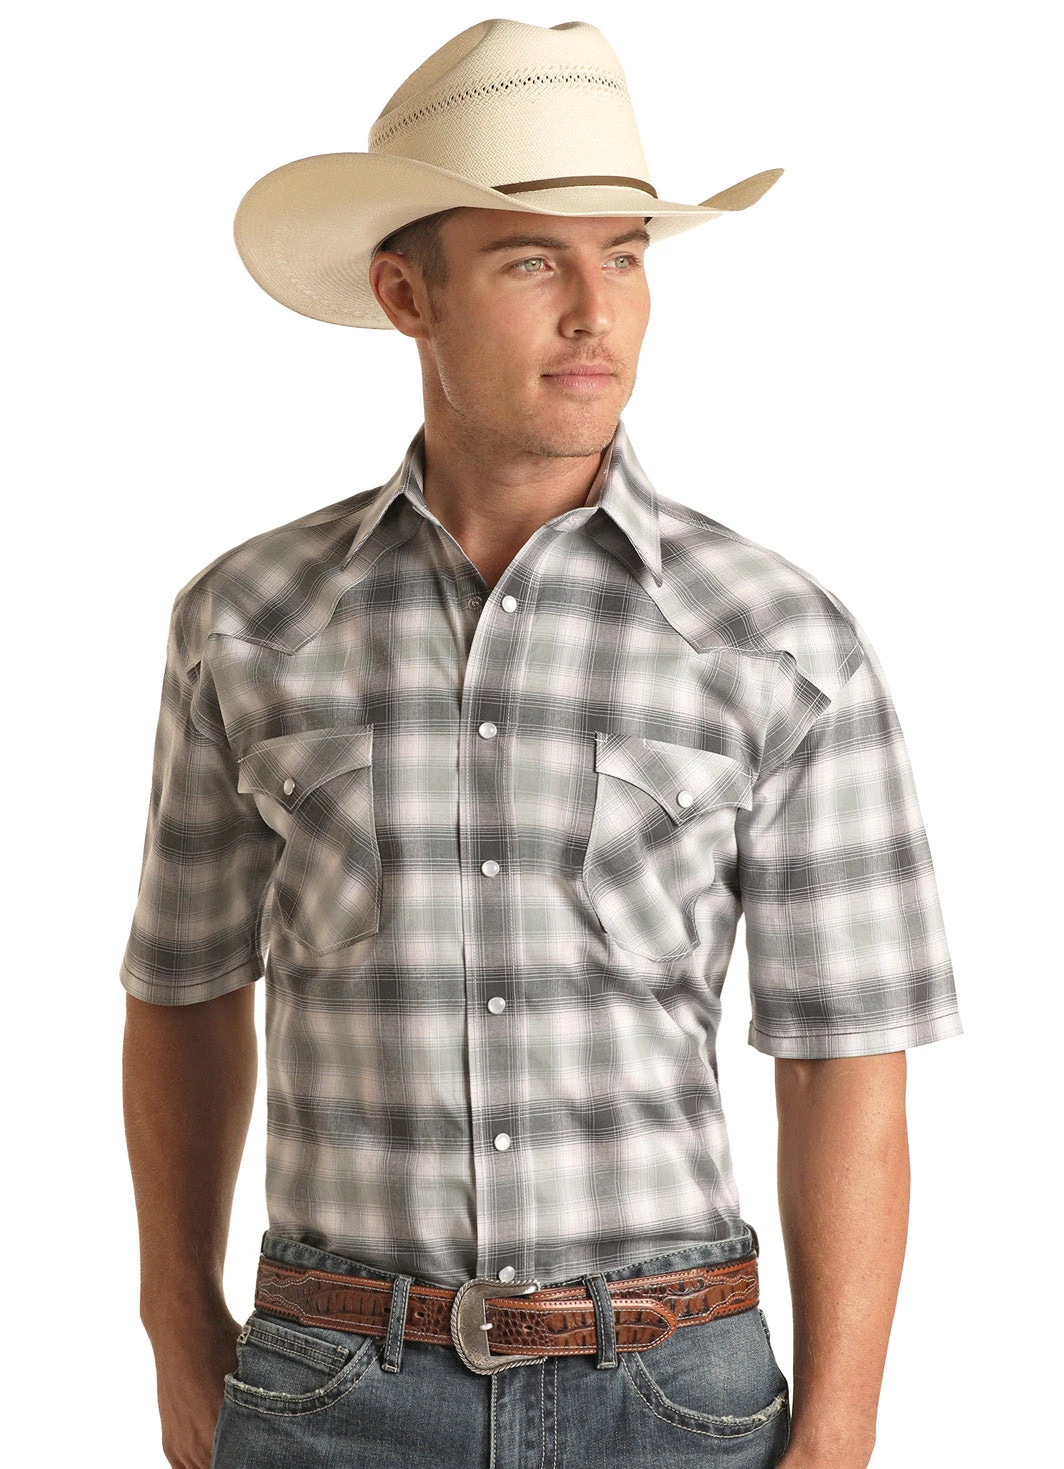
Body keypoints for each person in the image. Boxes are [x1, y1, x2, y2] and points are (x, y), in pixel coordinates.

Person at [121, 19, 961, 1469]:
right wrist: (174, 1325)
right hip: (331, 1392)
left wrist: (838, 1430)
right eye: (530, 262)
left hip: (676, 1396)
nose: (595, 312)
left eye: (623, 257)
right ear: (407, 293)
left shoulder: (776, 635)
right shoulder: (247, 619)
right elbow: (183, 990)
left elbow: (846, 1058)